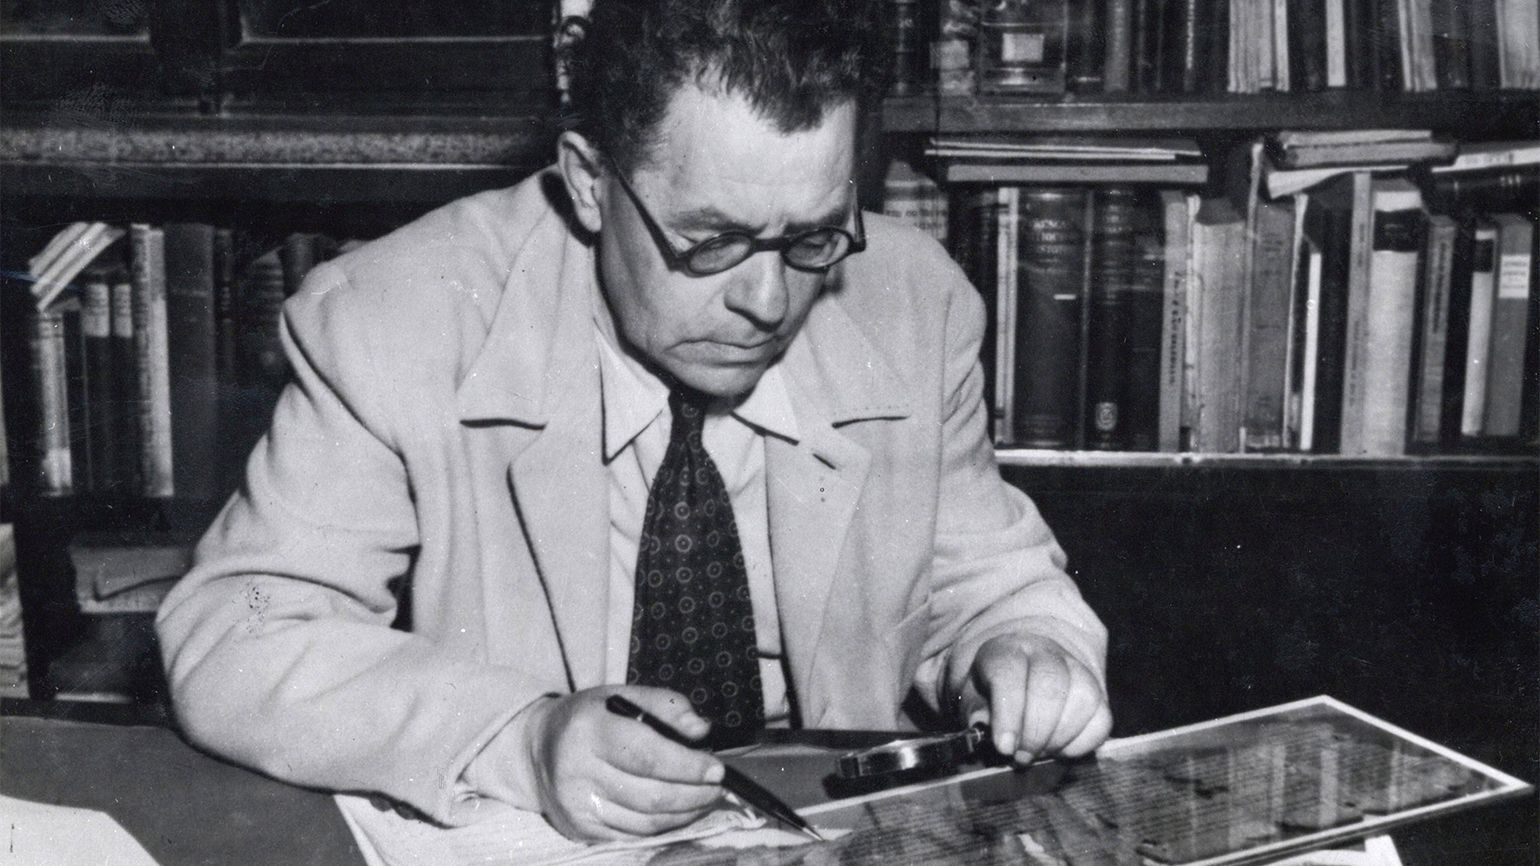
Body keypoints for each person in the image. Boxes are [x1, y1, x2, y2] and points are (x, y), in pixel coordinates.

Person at [155, 0, 1111, 843]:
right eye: (711, 241)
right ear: (587, 180)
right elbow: (239, 631)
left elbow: (985, 582)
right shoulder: (392, 317)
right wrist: (518, 738)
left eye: (814, 237)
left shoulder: (915, 305)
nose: (769, 300)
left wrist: (1022, 653)